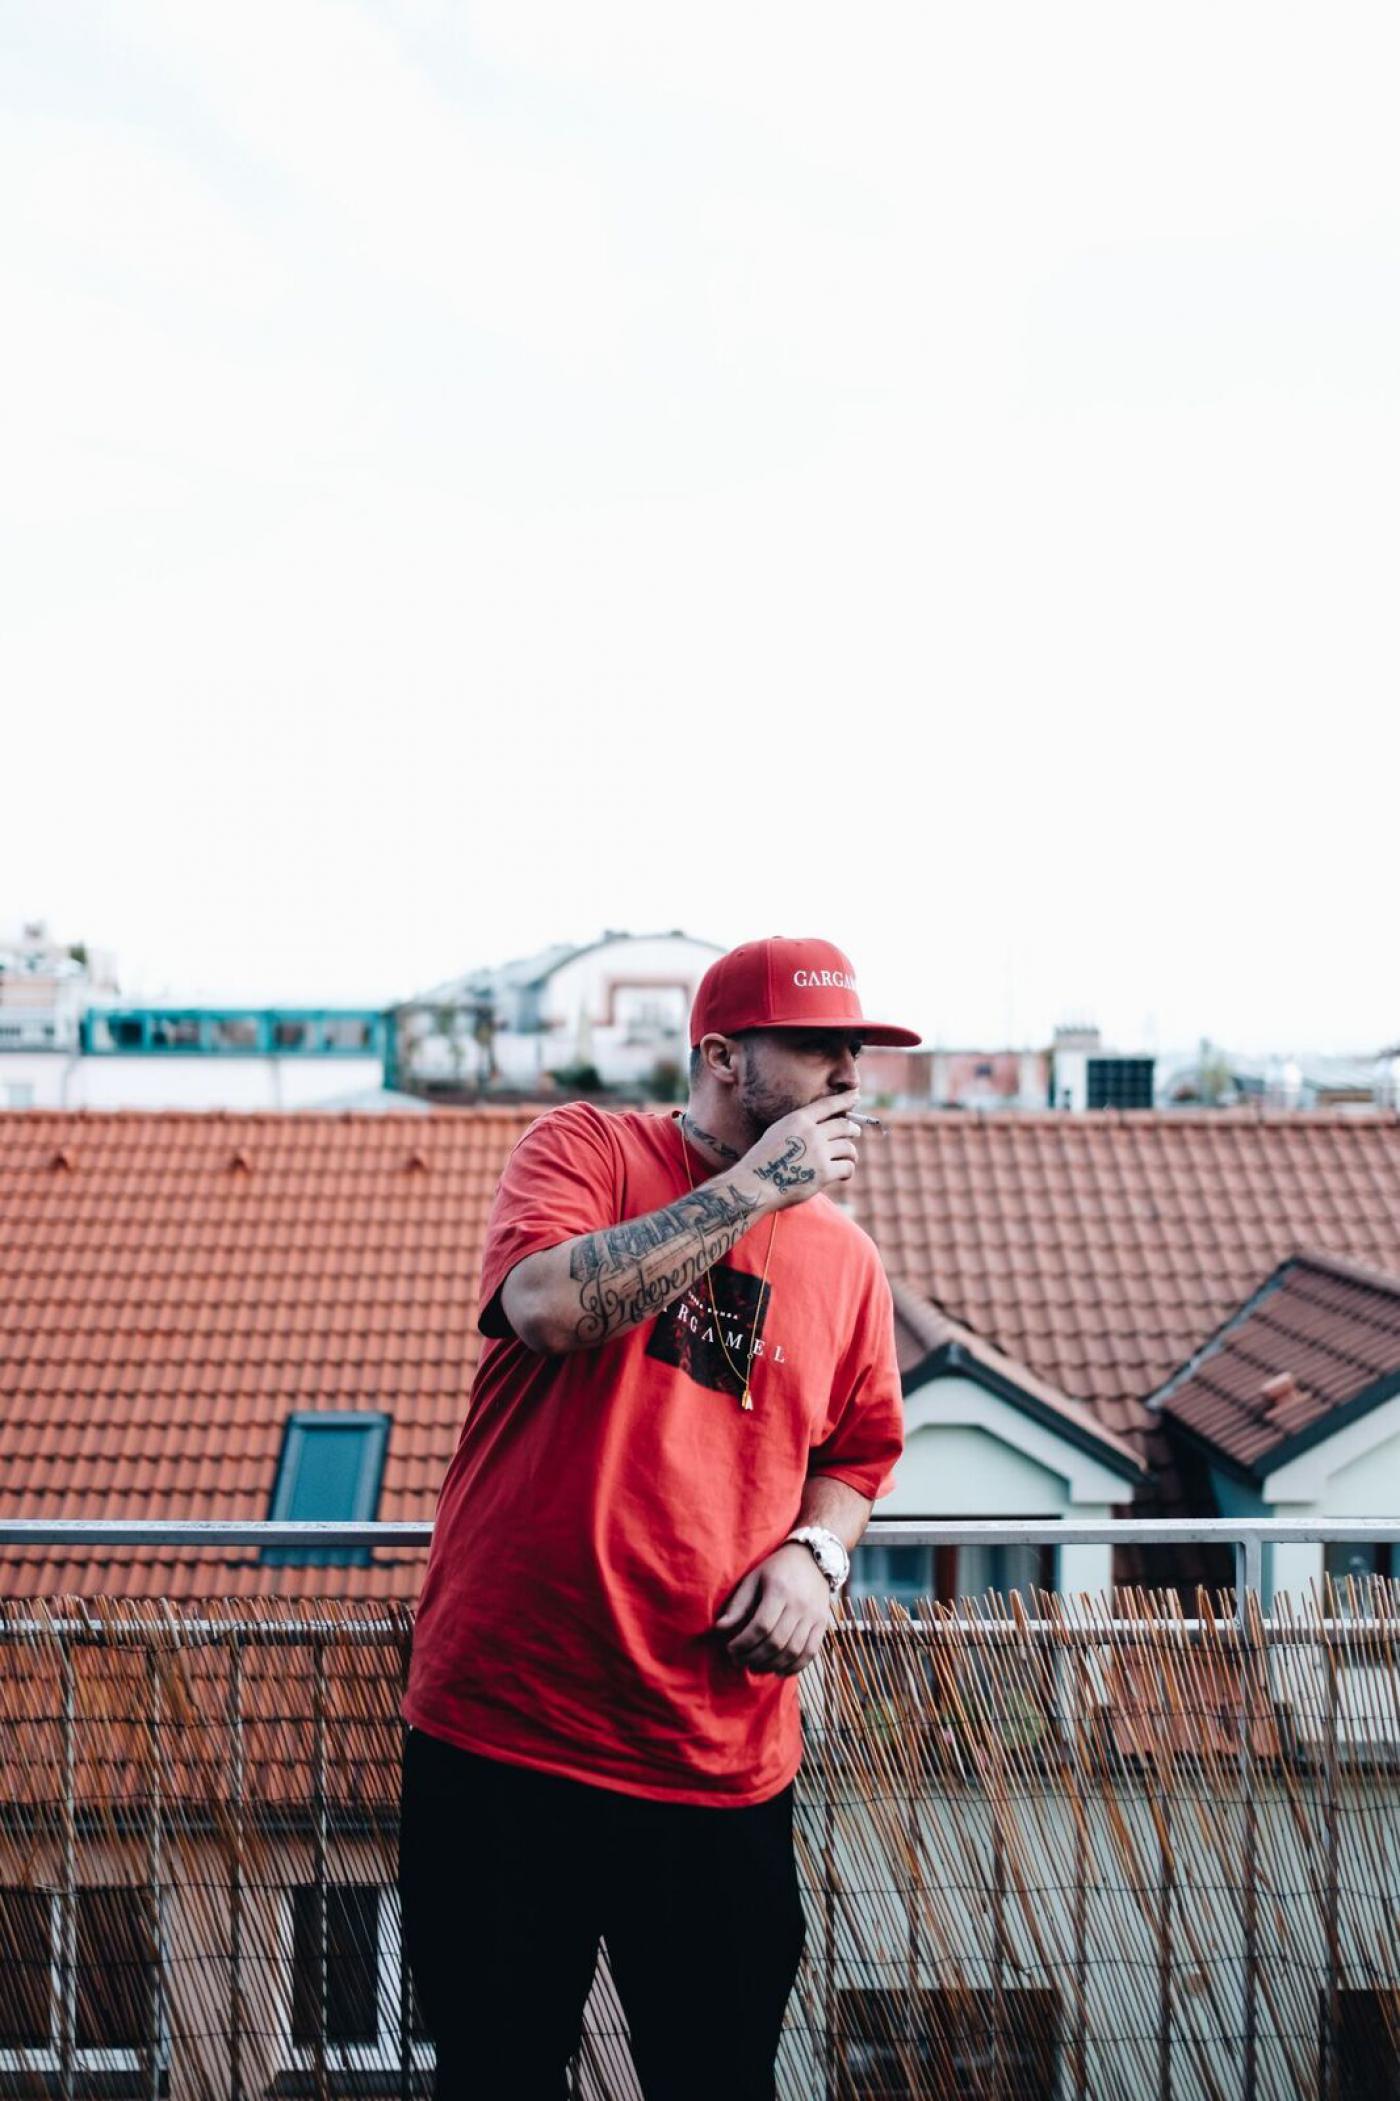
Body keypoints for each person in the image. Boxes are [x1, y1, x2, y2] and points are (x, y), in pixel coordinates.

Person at [397, 935, 920, 2100]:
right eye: (817, 1047)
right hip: (506, 1735)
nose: (847, 1075)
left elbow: (858, 1453)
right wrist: (757, 1187)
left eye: (854, 1050)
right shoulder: (584, 1148)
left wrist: (815, 1556)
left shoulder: (847, 1264)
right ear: (724, 1056)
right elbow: (545, 1306)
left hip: (714, 1757)